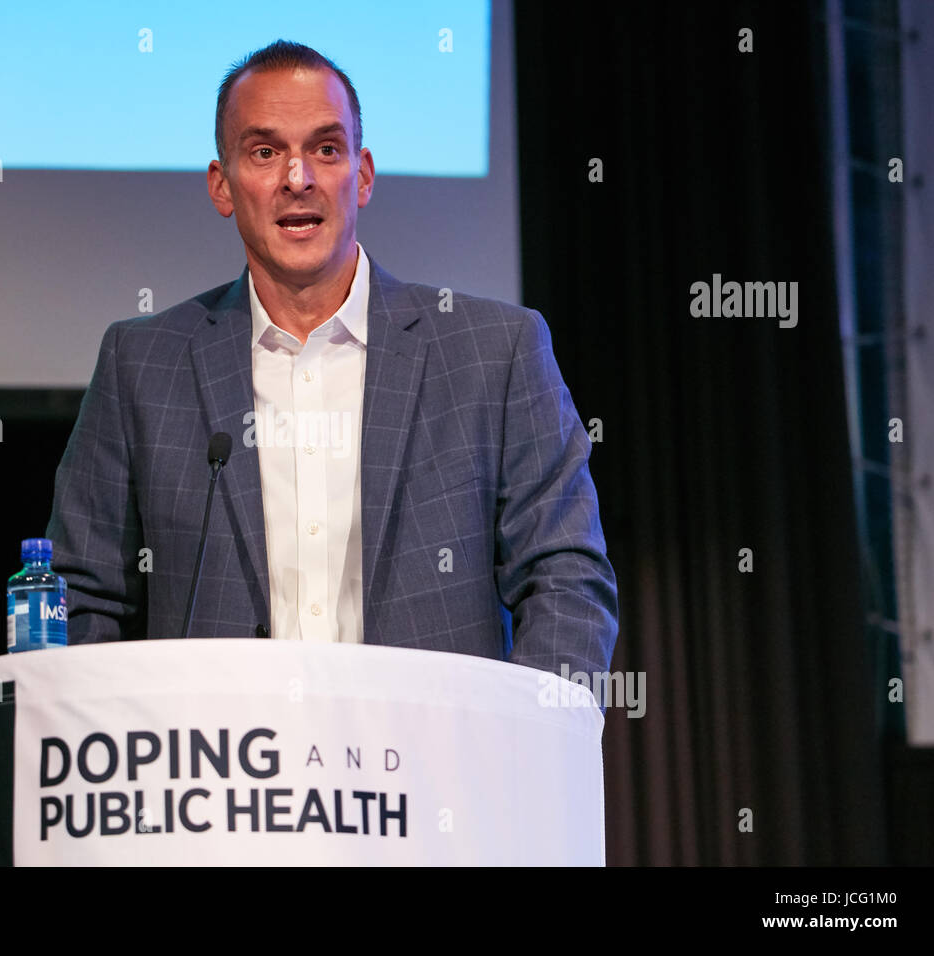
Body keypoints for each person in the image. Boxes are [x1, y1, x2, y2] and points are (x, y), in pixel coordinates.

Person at [45, 40, 618, 688]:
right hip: (219, 776)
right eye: (265, 152)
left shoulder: (494, 352)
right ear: (222, 185)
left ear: (363, 175)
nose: (298, 179)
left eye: (325, 149)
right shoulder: (143, 365)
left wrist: (530, 749)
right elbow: (79, 598)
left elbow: (566, 578)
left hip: (432, 774)